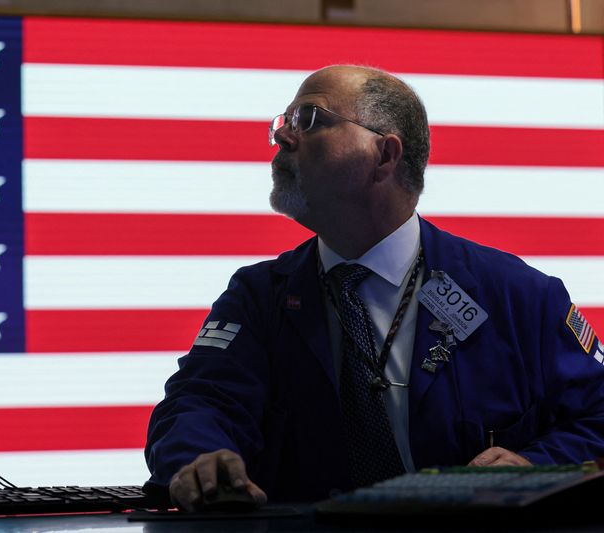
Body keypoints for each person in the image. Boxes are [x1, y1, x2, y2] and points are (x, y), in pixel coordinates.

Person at [144, 65, 604, 510]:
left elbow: (597, 415)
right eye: (283, 123)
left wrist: (535, 463)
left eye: (309, 119)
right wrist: (199, 458)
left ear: (384, 155)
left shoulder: (516, 295)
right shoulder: (260, 297)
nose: (283, 136)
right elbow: (199, 403)